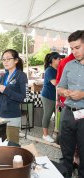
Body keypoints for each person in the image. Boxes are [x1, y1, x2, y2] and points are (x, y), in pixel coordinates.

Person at [57, 30, 84, 178]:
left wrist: (82, 95)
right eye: (72, 48)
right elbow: (60, 86)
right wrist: (63, 92)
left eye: (77, 47)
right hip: (68, 112)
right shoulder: (68, 65)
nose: (74, 52)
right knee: (65, 152)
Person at [0, 49, 28, 144]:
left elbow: (23, 97)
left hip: (13, 115)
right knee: (2, 143)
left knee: (13, 145)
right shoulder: (4, 76)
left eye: (8, 59)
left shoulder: (21, 76)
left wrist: (6, 90)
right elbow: (0, 96)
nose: (5, 62)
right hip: (1, 113)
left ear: (16, 60)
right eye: (4, 59)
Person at [41, 52, 62, 143]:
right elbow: (54, 83)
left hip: (57, 97)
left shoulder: (58, 69)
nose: (60, 60)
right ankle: (45, 135)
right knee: (48, 115)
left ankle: (55, 133)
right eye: (58, 59)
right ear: (53, 60)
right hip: (48, 96)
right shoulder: (49, 70)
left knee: (58, 116)